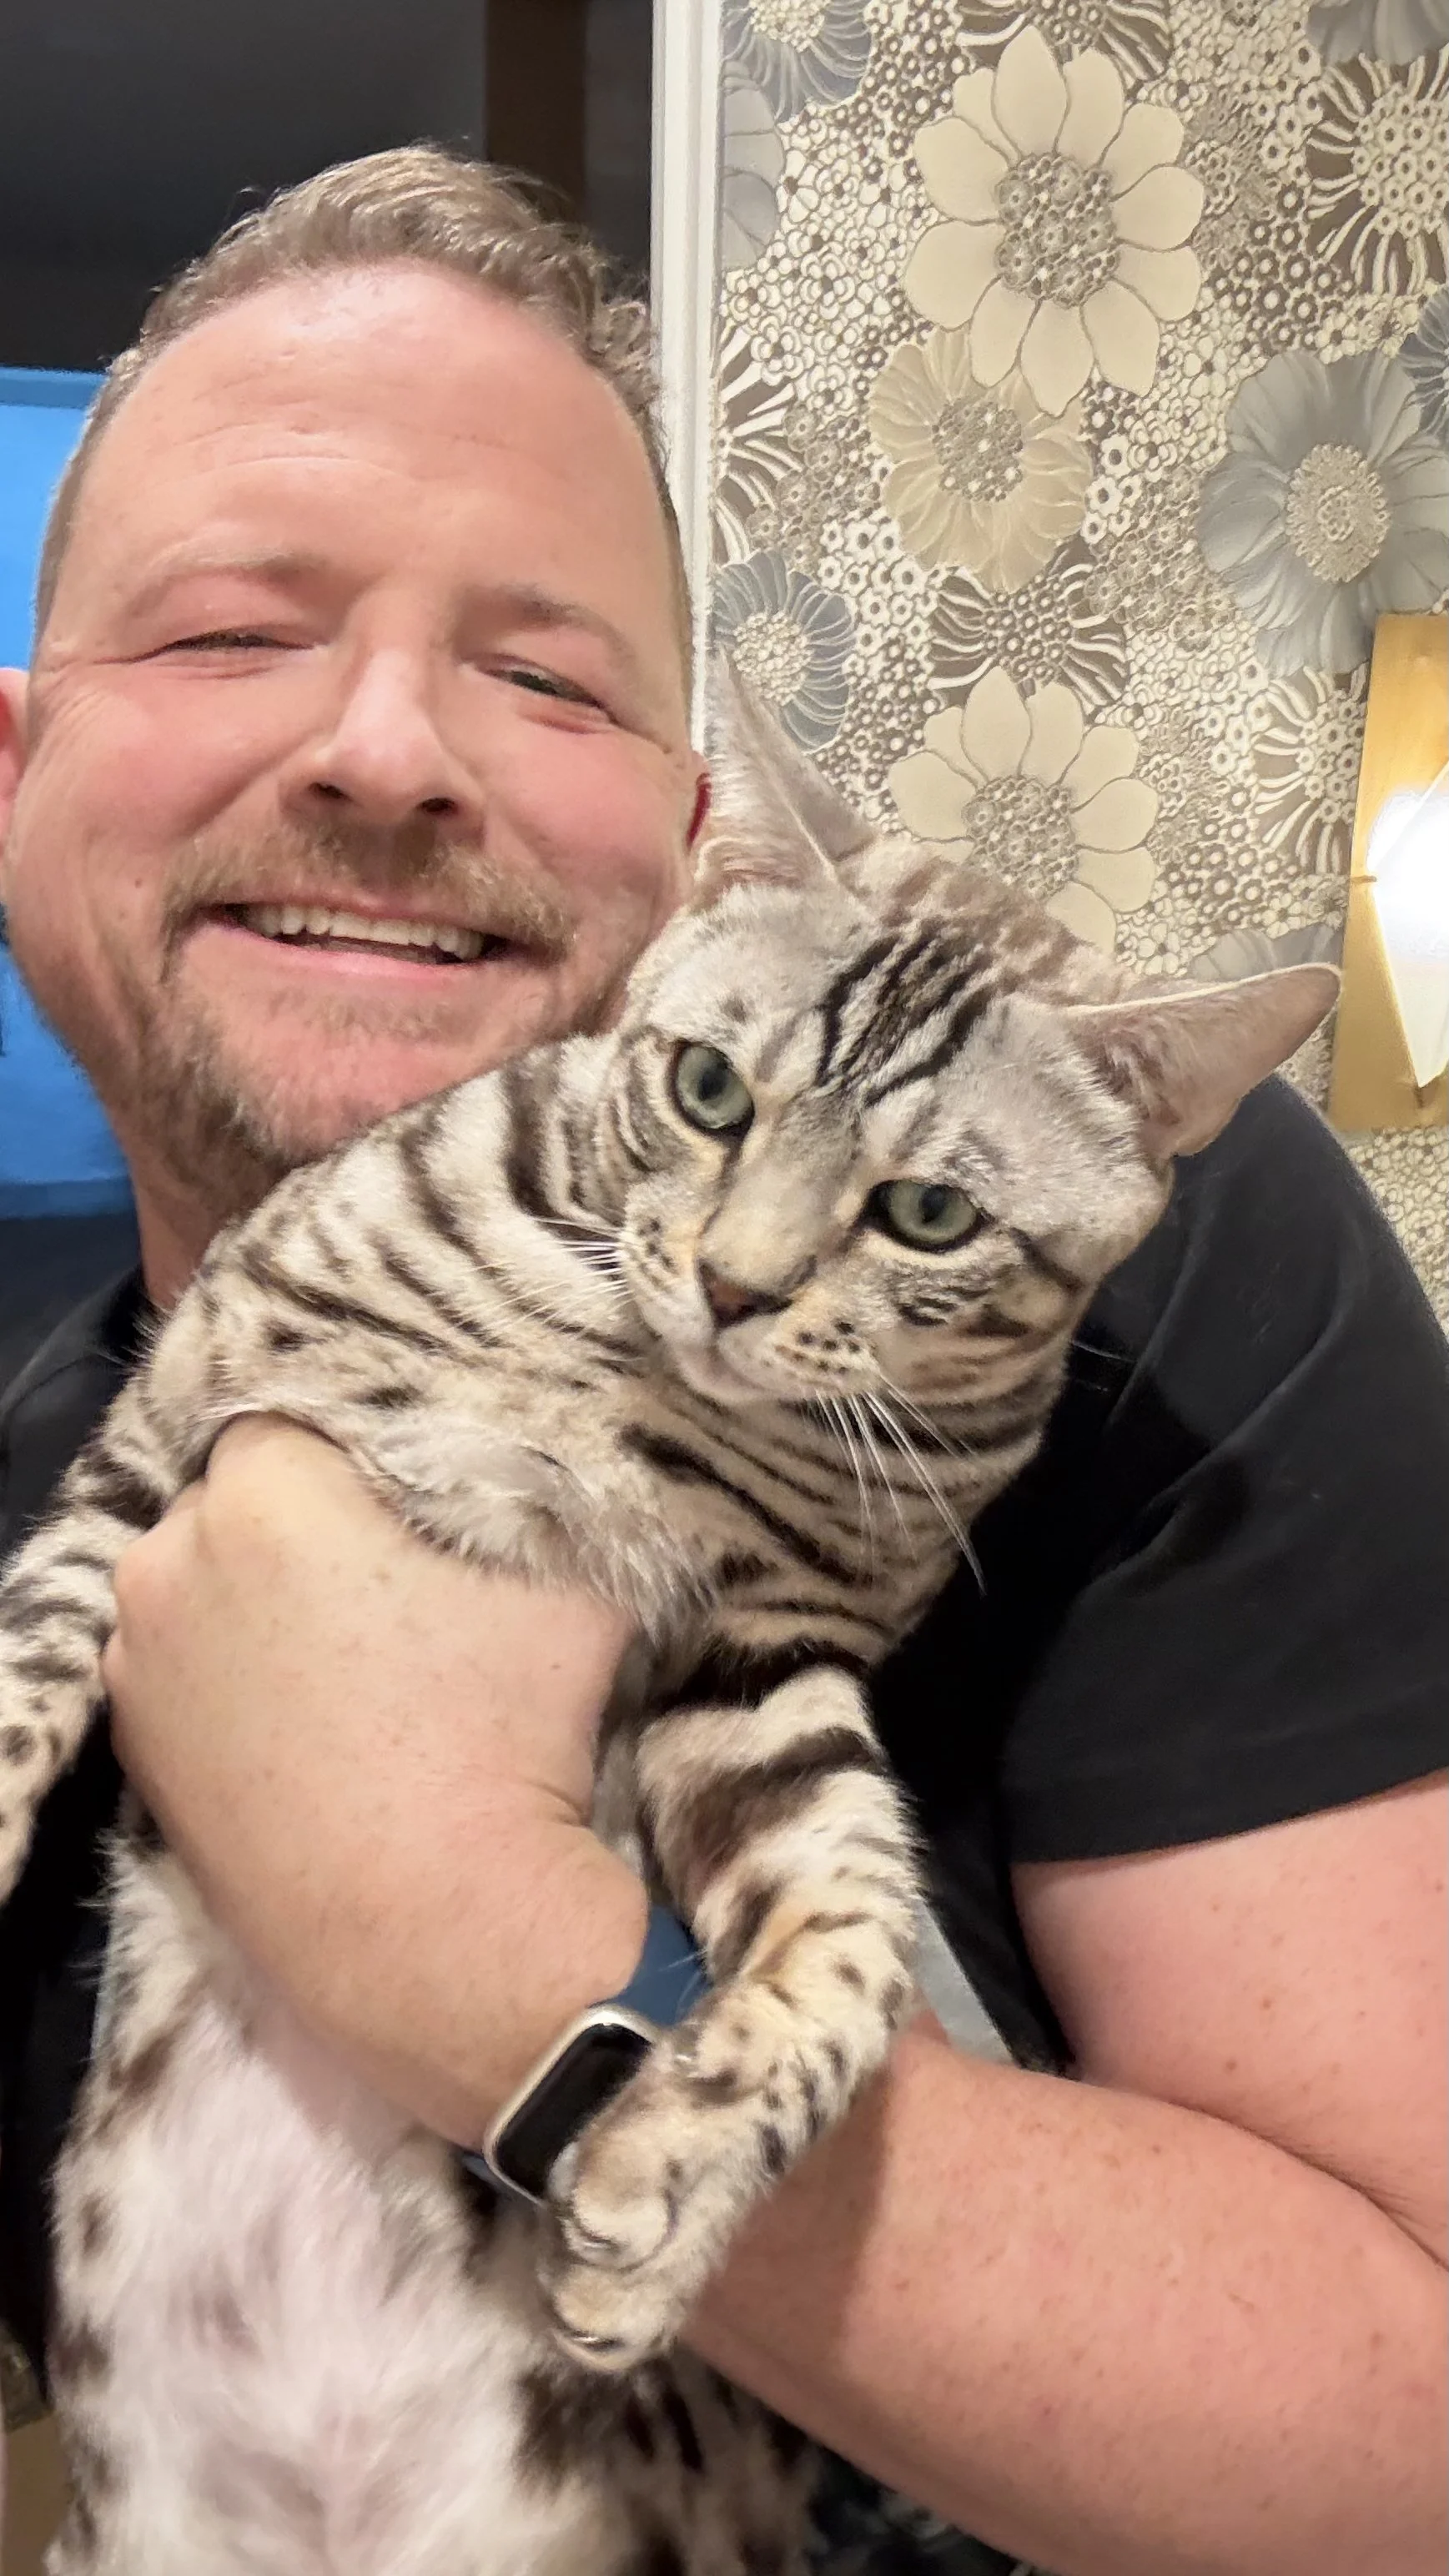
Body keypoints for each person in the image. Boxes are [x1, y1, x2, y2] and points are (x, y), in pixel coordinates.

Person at [0, 148, 1443, 2576]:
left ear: (704, 859)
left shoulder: (1126, 1300)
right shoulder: (39, 1469)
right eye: (232, 635)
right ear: (14, 773)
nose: (384, 752)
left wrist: (477, 1943)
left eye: (546, 672)